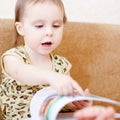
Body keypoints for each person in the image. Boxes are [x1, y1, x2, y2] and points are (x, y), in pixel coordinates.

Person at [0, 0, 91, 119]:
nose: (49, 32)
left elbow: (61, 102)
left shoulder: (61, 65)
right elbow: (20, 71)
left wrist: (76, 104)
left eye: (56, 26)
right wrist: (51, 76)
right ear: (21, 28)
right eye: (39, 26)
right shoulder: (13, 57)